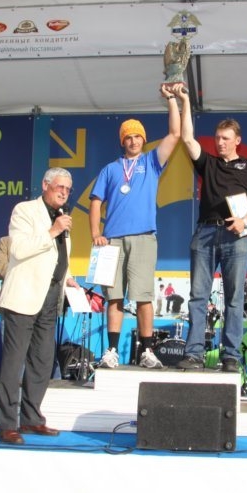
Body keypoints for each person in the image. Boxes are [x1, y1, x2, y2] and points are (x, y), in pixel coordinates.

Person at [89, 84, 189, 369]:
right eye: (128, 137)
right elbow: (95, 202)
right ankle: (111, 351)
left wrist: (171, 100)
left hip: (144, 238)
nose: (133, 141)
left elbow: (175, 134)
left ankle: (147, 351)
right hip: (112, 241)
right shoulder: (110, 169)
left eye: (137, 136)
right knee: (114, 297)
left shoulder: (151, 161)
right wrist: (96, 234)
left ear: (143, 139)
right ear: (122, 141)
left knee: (144, 297)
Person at [176, 118, 247, 372]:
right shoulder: (208, 163)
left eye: (225, 138)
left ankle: (230, 356)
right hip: (205, 233)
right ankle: (194, 354)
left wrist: (244, 220)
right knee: (198, 297)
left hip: (236, 235)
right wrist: (183, 101)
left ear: (237, 140)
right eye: (217, 138)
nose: (220, 142)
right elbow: (187, 138)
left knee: (234, 298)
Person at [0, 167, 80, 444]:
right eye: (59, 187)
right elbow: (18, 249)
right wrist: (53, 230)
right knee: (14, 363)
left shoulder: (61, 216)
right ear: (45, 185)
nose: (64, 193)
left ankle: (31, 419)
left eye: (68, 189)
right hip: (24, 296)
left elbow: (58, 256)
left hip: (51, 297)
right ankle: (7, 425)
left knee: (42, 362)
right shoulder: (25, 210)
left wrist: (68, 278)